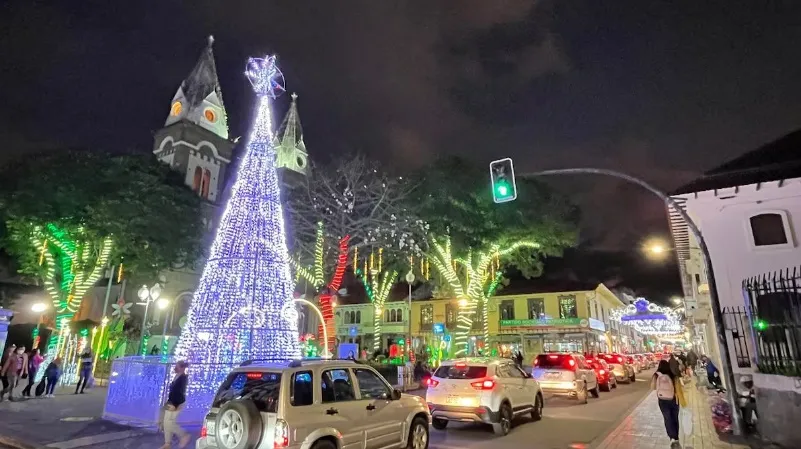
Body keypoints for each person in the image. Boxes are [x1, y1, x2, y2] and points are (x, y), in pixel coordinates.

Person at [652, 360, 687, 448]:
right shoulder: (672, 373)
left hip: (663, 400)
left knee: (667, 418)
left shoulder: (656, 374)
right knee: (675, 418)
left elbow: (652, 387)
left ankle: (672, 438)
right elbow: (679, 386)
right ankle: (676, 437)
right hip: (674, 399)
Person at [161, 361, 191, 449]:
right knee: (166, 422)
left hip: (177, 402)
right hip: (172, 401)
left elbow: (179, 393)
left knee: (169, 423)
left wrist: (175, 405)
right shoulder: (177, 376)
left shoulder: (183, 378)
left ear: (182, 368)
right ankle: (167, 444)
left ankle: (184, 435)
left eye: (177, 366)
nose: (175, 368)